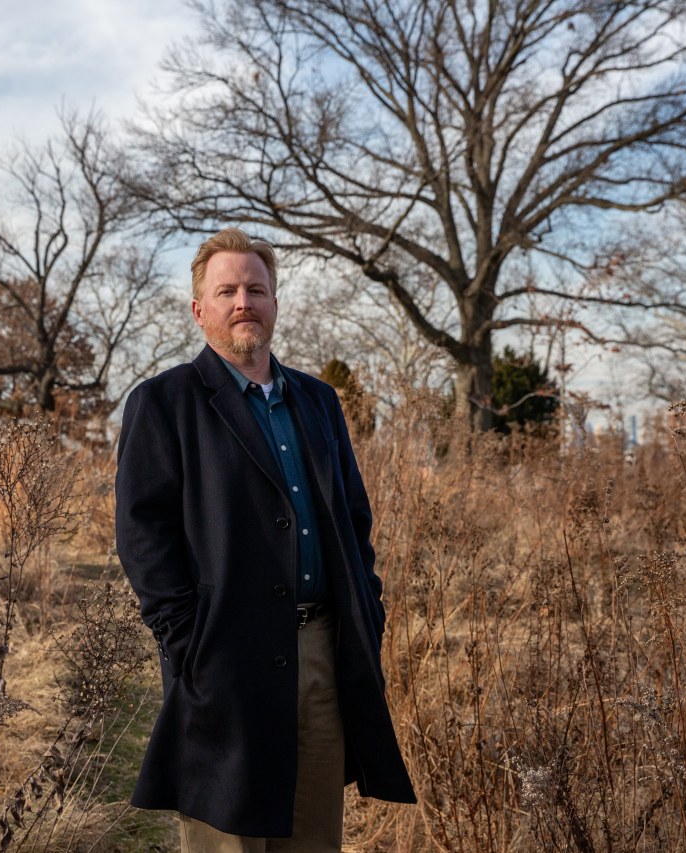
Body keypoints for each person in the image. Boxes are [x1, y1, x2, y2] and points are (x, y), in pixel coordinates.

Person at [115, 227, 415, 851]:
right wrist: (189, 641)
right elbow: (144, 535)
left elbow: (354, 522)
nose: (243, 301)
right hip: (224, 656)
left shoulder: (318, 402)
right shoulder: (163, 403)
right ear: (200, 309)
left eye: (256, 288)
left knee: (312, 838)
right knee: (230, 839)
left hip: (322, 654)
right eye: (226, 290)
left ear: (276, 302)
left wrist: (369, 611)